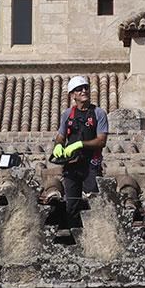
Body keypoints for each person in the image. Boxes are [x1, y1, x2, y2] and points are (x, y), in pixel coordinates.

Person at [51, 75, 109, 227]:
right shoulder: (67, 114)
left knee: (93, 201)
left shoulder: (98, 114)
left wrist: (80, 144)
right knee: (72, 204)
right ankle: (73, 233)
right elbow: (60, 136)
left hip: (91, 164)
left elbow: (101, 141)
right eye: (79, 89)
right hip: (72, 164)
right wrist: (58, 146)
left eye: (85, 88)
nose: (83, 91)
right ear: (73, 95)